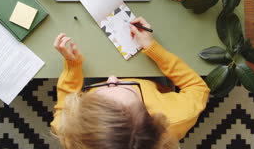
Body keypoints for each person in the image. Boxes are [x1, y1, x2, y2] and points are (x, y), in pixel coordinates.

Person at [51, 17, 210, 149]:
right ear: (149, 115)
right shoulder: (177, 117)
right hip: (152, 80)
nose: (112, 77)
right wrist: (153, 48)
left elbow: (66, 105)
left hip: (89, 81)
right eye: (129, 90)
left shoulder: (70, 131)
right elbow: (197, 87)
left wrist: (73, 67)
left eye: (107, 86)